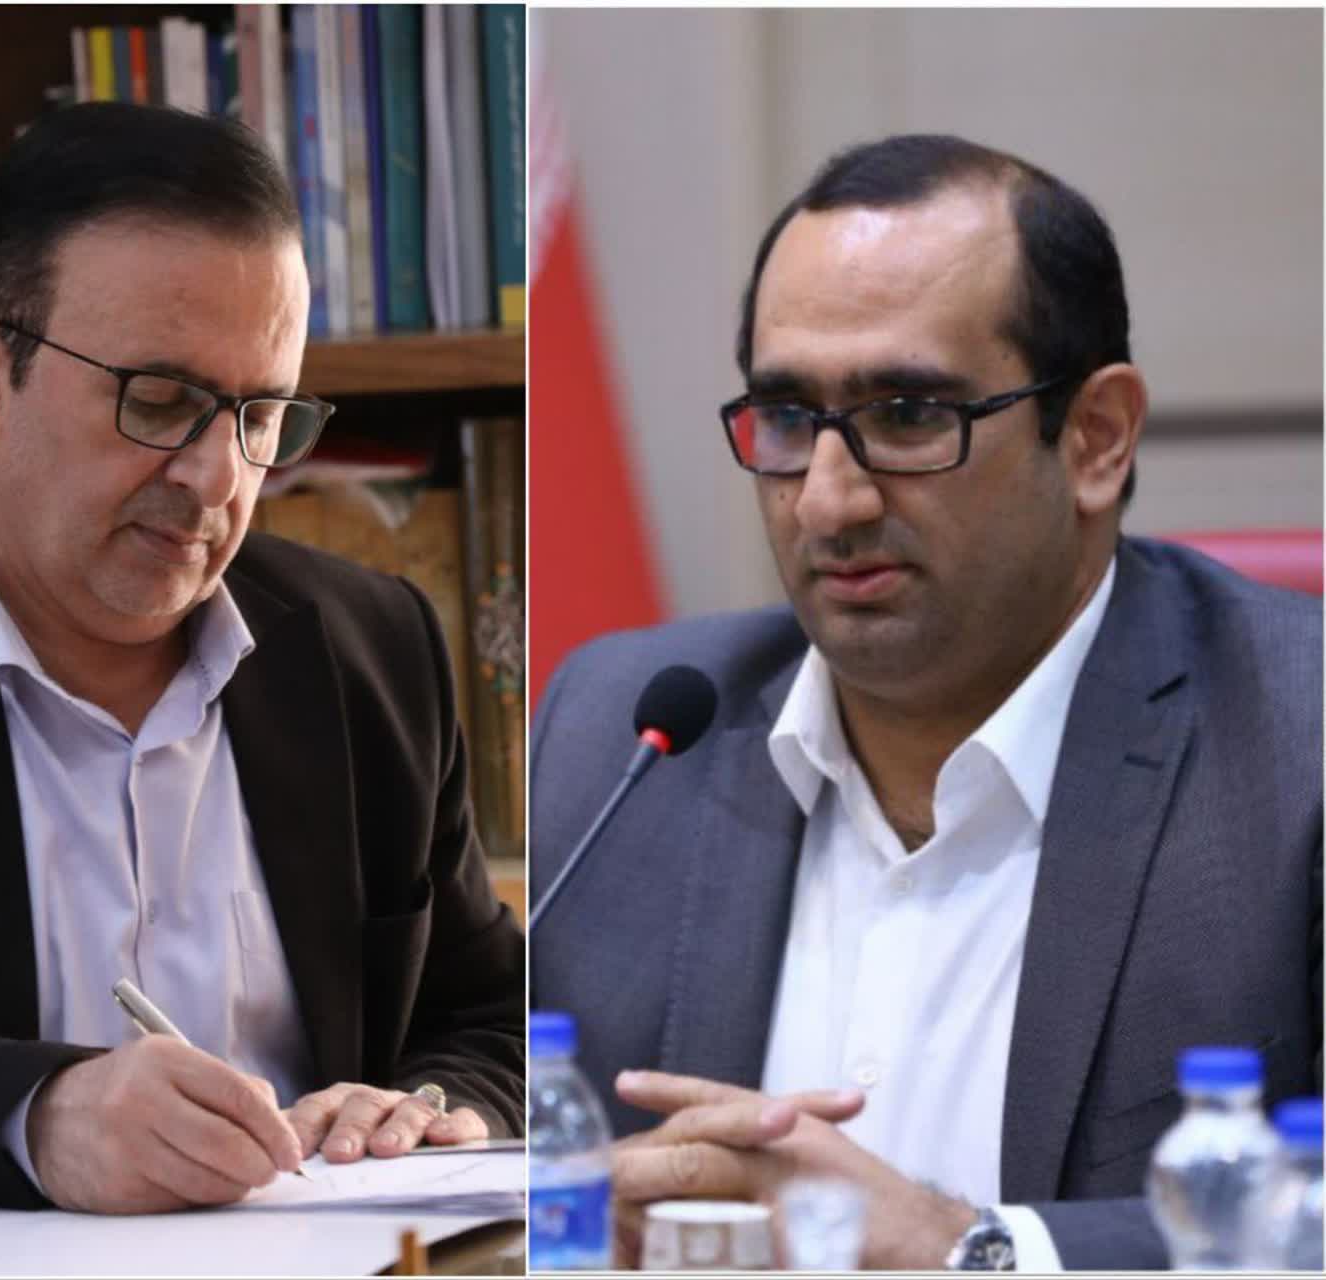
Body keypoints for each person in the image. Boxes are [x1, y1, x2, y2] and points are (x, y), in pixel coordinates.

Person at [0, 103, 523, 1215]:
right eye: (161, 402)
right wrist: (33, 1115)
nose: (218, 478)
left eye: (262, 414)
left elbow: (494, 1014)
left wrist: (426, 1108)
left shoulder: (377, 648)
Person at [529, 134, 1320, 1270]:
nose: (828, 502)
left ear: (1095, 438)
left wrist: (967, 1246)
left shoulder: (1295, 742)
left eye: (906, 414)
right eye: (787, 418)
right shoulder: (622, 731)